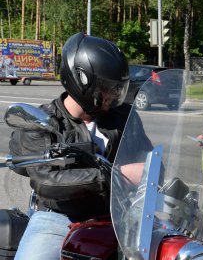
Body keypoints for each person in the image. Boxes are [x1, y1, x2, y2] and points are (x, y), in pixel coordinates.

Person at [9, 32, 150, 260]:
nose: (114, 95)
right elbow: (47, 181)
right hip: (59, 218)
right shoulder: (42, 122)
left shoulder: (122, 116)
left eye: (117, 88)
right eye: (107, 87)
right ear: (81, 81)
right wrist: (114, 175)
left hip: (120, 217)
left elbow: (148, 160)